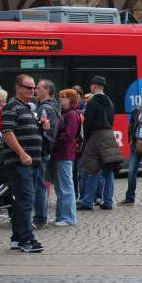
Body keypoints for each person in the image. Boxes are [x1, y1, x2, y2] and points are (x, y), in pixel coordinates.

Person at [0, 74, 49, 253]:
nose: (32, 90)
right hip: (21, 162)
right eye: (28, 87)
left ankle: (16, 238)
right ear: (18, 88)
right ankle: (26, 239)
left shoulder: (27, 107)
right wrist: (22, 154)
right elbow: (7, 132)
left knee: (21, 201)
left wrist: (41, 127)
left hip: (32, 162)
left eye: (34, 87)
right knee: (26, 201)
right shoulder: (11, 106)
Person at [78, 76, 121, 210]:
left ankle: (87, 202)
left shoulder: (92, 103)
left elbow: (88, 123)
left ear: (95, 86)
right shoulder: (110, 102)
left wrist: (86, 139)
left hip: (96, 136)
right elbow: (112, 120)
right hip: (109, 135)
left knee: (92, 170)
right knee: (108, 172)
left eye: (91, 85)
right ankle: (108, 202)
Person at [32, 79, 60, 229]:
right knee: (40, 184)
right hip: (45, 148)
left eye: (38, 88)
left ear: (47, 91)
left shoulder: (45, 109)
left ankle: (40, 218)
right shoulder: (52, 107)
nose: (35, 90)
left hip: (41, 149)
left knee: (39, 186)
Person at [52, 89, 82, 227]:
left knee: (66, 186)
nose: (60, 100)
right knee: (60, 187)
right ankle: (60, 216)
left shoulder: (71, 115)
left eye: (63, 97)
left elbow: (69, 135)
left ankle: (68, 217)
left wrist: (55, 140)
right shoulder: (66, 114)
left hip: (65, 152)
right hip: (61, 152)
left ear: (70, 99)